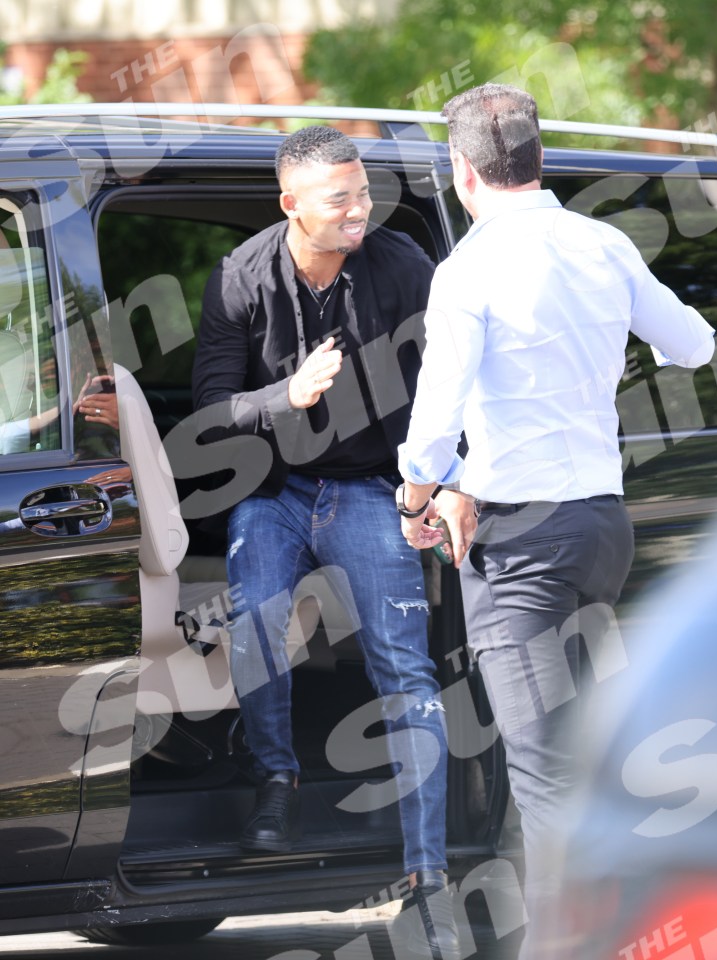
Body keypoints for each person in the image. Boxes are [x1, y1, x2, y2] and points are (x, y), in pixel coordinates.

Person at [395, 83, 716, 956]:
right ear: (538, 160)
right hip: (602, 527)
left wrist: (417, 495)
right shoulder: (603, 244)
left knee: (540, 776)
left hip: (520, 543)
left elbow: (434, 418)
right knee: (579, 762)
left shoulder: (469, 269)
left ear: (462, 172)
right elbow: (694, 346)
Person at [192, 126, 474, 960]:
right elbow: (211, 411)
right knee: (253, 623)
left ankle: (427, 876)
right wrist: (286, 392)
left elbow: (455, 381)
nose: (360, 211)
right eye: (339, 199)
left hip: (371, 490)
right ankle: (276, 782)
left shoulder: (400, 267)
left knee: (405, 666)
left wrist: (445, 483)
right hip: (275, 493)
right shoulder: (241, 277)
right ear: (291, 206)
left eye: (363, 193)